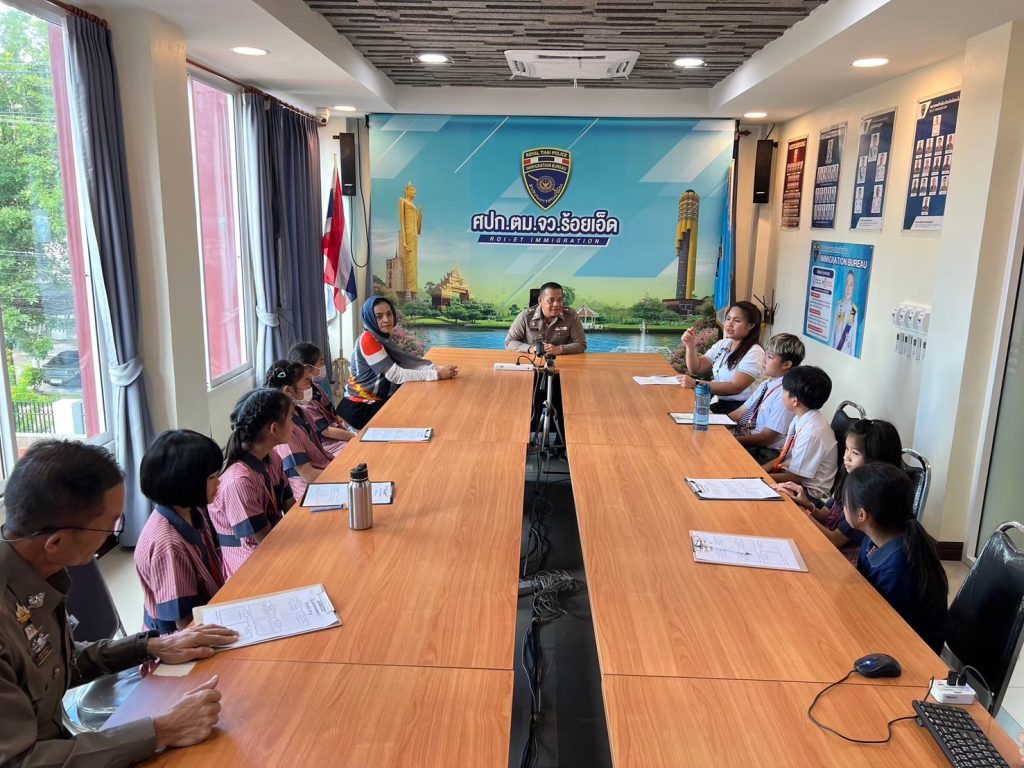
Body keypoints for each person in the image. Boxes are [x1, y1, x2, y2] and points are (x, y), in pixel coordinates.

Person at [0, 440, 238, 765]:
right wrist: (162, 730)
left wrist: (151, 646)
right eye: (111, 524)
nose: (114, 534)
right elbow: (20, 761)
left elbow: (59, 663)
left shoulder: (37, 573)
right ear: (56, 542)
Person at [843, 463, 948, 653]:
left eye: (845, 503)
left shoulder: (898, 567)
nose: (843, 507)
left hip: (908, 653)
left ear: (862, 515)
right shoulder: (875, 537)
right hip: (881, 631)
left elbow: (887, 630)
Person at [135, 430, 225, 634]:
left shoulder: (193, 510)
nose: (219, 482)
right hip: (181, 637)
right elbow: (185, 624)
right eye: (212, 477)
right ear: (186, 484)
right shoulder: (168, 545)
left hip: (210, 612)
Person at [777, 419, 903, 561]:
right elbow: (826, 514)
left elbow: (835, 540)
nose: (846, 457)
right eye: (847, 449)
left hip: (843, 558)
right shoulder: (848, 477)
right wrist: (806, 503)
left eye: (855, 453)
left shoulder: (868, 497)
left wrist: (804, 514)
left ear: (875, 460)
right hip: (825, 541)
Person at [208, 388, 296, 579]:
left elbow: (291, 507)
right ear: (274, 429)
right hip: (250, 569)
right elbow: (264, 542)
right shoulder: (238, 482)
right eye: (291, 417)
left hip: (277, 544)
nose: (293, 423)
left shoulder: (273, 458)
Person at [340, 295, 459, 430]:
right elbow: (396, 375)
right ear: (370, 318)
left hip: (374, 403)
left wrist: (435, 368)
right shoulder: (368, 340)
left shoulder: (382, 338)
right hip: (360, 408)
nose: (386, 320)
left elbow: (405, 363)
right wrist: (437, 374)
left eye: (389, 314)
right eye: (379, 316)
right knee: (422, 419)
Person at [728, 333, 804, 464]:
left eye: (769, 357)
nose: (763, 360)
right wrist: (713, 423)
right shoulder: (767, 383)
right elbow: (739, 413)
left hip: (765, 452)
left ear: (786, 364)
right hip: (748, 437)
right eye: (765, 354)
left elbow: (767, 438)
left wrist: (731, 440)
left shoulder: (785, 394)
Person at [677, 301, 764, 414]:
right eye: (728, 319)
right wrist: (690, 345)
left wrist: (696, 383)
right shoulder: (723, 344)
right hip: (721, 405)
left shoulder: (755, 352)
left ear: (751, 325)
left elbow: (735, 387)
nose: (729, 324)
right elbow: (696, 368)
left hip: (741, 411)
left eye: (737, 320)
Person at [765, 366, 837, 501]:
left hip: (807, 492)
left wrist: (760, 478)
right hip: (791, 477)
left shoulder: (812, 433)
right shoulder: (802, 417)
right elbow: (784, 457)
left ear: (795, 401)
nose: (782, 395)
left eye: (784, 391)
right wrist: (760, 470)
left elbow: (794, 477)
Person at [265, 361, 335, 502]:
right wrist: (342, 475)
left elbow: (322, 451)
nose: (311, 387)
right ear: (288, 391)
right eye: (307, 383)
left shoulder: (302, 412)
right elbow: (308, 475)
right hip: (311, 491)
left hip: (326, 475)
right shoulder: (285, 431)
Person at [288, 341, 357, 454]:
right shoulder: (303, 400)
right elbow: (326, 431)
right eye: (321, 362)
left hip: (340, 433)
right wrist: (354, 436)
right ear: (307, 368)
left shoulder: (317, 388)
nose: (324, 366)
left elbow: (334, 414)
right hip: (329, 444)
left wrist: (348, 428)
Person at [504, 282, 587, 357]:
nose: (556, 304)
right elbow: (509, 342)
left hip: (561, 362)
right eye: (551, 300)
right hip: (532, 361)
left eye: (560, 300)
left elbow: (581, 344)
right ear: (540, 301)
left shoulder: (571, 316)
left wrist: (560, 349)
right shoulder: (526, 316)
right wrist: (531, 349)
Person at [832, 271, 859, 355]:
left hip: (846, 353)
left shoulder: (854, 311)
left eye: (851, 285)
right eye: (847, 284)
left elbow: (853, 338)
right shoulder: (839, 306)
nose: (848, 288)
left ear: (853, 287)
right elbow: (833, 332)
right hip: (835, 350)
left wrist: (852, 357)